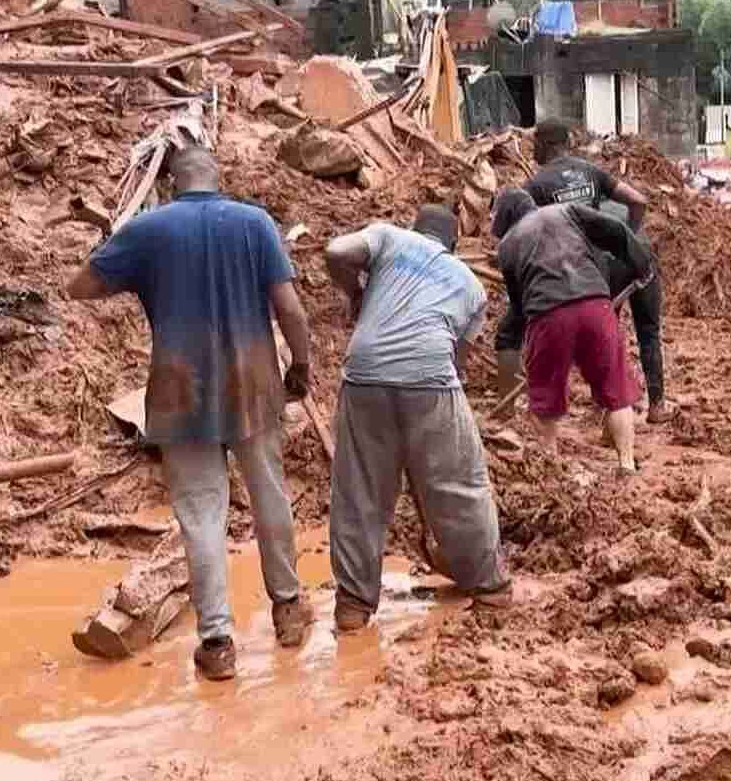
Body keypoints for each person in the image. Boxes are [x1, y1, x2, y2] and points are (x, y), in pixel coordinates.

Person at [66, 145, 314, 680]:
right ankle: (289, 611)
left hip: (180, 389)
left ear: (172, 183)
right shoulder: (254, 222)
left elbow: (80, 286)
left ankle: (218, 642)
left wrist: (124, 259)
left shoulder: (149, 229)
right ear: (216, 175)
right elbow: (290, 308)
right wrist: (301, 365)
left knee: (202, 516)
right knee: (269, 492)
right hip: (253, 382)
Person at [322, 206, 511, 632]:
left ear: (415, 231)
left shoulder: (389, 239)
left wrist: (355, 294)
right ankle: (490, 588)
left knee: (360, 493)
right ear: (453, 246)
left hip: (365, 374)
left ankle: (352, 607)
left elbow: (335, 252)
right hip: (431, 378)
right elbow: (456, 364)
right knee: (459, 483)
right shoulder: (471, 285)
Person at [496, 119, 671, 422]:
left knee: (518, 330)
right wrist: (628, 240)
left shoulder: (536, 187)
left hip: (587, 270)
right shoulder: (589, 170)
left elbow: (530, 230)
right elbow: (638, 200)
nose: (532, 149)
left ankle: (512, 411)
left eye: (535, 143)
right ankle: (656, 406)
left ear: (545, 145)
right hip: (636, 256)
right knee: (648, 331)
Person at [492, 188, 655, 473]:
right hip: (595, 305)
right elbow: (614, 228)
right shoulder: (566, 211)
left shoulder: (507, 245)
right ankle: (627, 464)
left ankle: (551, 465)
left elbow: (517, 305)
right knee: (616, 390)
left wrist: (513, 344)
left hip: (547, 315)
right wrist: (641, 264)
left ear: (506, 218)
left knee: (544, 397)